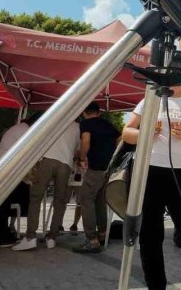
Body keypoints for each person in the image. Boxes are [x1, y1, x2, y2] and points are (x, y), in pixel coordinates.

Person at [122, 86, 181, 290]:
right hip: (149, 171)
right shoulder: (150, 99)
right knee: (150, 236)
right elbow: (127, 133)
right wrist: (146, 133)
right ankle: (156, 287)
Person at [12, 110, 80, 251]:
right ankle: (52, 237)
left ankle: (30, 237)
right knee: (60, 202)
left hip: (47, 159)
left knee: (36, 198)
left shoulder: (53, 120)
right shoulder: (77, 127)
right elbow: (77, 151)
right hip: (65, 164)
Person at [73, 103, 121, 253]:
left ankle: (91, 239)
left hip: (96, 168)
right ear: (99, 112)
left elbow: (86, 141)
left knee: (86, 200)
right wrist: (114, 157)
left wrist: (81, 157)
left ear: (83, 112)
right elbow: (120, 139)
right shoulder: (108, 124)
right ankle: (103, 233)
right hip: (109, 168)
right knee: (100, 201)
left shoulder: (86, 124)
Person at [0, 114, 35, 248]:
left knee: (0, 202)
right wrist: (31, 178)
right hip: (1, 164)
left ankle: (1, 235)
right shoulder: (26, 131)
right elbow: (25, 157)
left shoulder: (19, 128)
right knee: (0, 203)